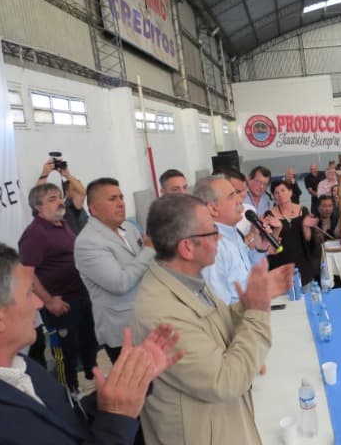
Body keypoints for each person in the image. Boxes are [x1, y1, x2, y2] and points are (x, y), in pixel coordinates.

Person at [130, 194, 293, 445]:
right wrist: (257, 312)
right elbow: (225, 380)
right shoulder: (160, 313)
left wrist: (248, 304)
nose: (219, 237)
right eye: (212, 232)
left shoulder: (186, 280)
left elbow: (217, 324)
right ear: (187, 247)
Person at [0, 242, 183, 445]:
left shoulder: (24, 367)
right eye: (28, 294)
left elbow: (67, 424)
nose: (39, 303)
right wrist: (116, 419)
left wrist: (124, 384)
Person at [18, 184, 98, 394]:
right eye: (52, 199)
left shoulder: (62, 225)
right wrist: (49, 300)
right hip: (60, 303)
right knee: (66, 352)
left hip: (81, 296)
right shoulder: (34, 234)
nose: (60, 201)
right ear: (38, 207)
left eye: (59, 197)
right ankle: (68, 391)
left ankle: (93, 378)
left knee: (89, 341)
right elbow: (28, 273)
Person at [74, 178, 155, 363]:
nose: (120, 203)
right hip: (123, 333)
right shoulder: (88, 242)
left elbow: (145, 267)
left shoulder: (128, 228)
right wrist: (149, 250)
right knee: (140, 388)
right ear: (93, 209)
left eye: (121, 197)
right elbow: (119, 283)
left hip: (148, 320)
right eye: (112, 199)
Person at [194, 176, 279, 304]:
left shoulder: (233, 233)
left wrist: (261, 248)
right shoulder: (213, 248)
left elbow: (247, 271)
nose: (240, 200)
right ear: (212, 208)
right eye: (232, 196)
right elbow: (220, 307)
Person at [266, 180, 319, 285]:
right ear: (274, 196)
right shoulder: (269, 214)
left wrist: (305, 226)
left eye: (283, 190)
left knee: (306, 296)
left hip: (302, 262)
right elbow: (270, 245)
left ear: (290, 192)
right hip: (280, 264)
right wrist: (278, 228)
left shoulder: (303, 210)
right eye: (276, 193)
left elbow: (308, 239)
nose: (280, 194)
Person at [36, 156, 88, 235]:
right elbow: (37, 197)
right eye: (74, 189)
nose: (77, 191)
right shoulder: (51, 208)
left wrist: (67, 175)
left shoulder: (72, 207)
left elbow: (82, 192)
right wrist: (45, 173)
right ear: (66, 192)